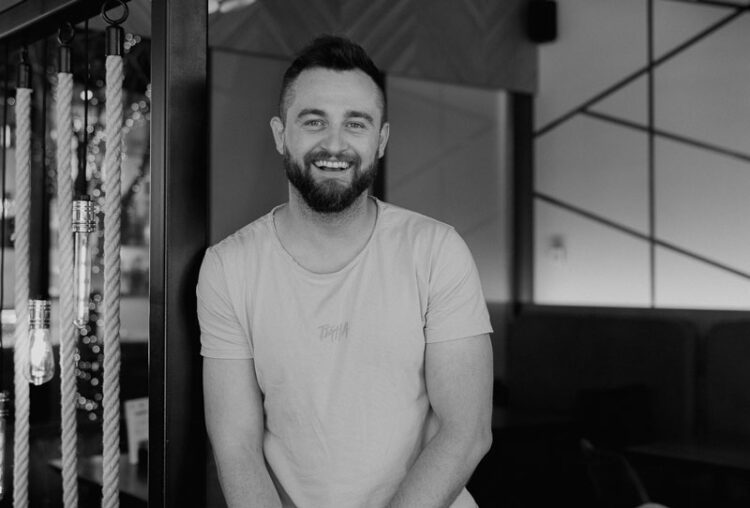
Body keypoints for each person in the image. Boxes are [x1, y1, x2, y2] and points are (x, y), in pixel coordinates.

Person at [197, 35, 494, 508]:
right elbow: (236, 448)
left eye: (355, 124)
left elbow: (467, 431)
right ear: (280, 134)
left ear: (381, 140)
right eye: (314, 121)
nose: (334, 144)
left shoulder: (436, 251)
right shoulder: (228, 268)